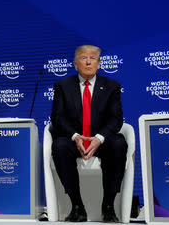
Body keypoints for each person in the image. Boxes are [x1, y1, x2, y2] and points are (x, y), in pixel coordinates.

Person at [50, 45, 127, 222]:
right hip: (74, 138)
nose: (88, 62)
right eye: (83, 58)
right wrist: (75, 136)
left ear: (99, 64)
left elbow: (116, 119)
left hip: (100, 140)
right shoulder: (62, 86)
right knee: (60, 145)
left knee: (118, 143)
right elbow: (58, 117)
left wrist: (99, 139)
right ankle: (77, 206)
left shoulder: (111, 86)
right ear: (75, 64)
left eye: (93, 58)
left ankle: (108, 206)